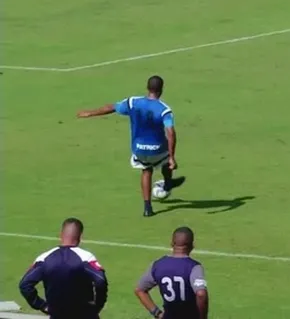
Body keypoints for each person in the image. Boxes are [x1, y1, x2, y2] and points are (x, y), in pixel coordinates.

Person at [77, 75, 184, 217]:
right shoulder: (164, 110)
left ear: (147, 88)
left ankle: (147, 208)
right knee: (166, 160)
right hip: (157, 149)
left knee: (146, 170)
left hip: (139, 149)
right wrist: (172, 157)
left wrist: (90, 113)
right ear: (161, 90)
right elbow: (170, 133)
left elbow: (112, 107)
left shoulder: (133, 102)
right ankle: (168, 182)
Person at [18, 218, 108, 319]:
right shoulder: (86, 258)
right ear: (80, 237)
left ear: (61, 235)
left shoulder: (44, 258)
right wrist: (97, 306)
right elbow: (100, 281)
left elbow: (25, 285)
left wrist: (42, 305)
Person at [135, 226, 209, 319]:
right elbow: (201, 294)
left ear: (172, 244)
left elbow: (139, 290)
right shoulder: (194, 267)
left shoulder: (158, 265)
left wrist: (157, 313)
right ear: (192, 246)